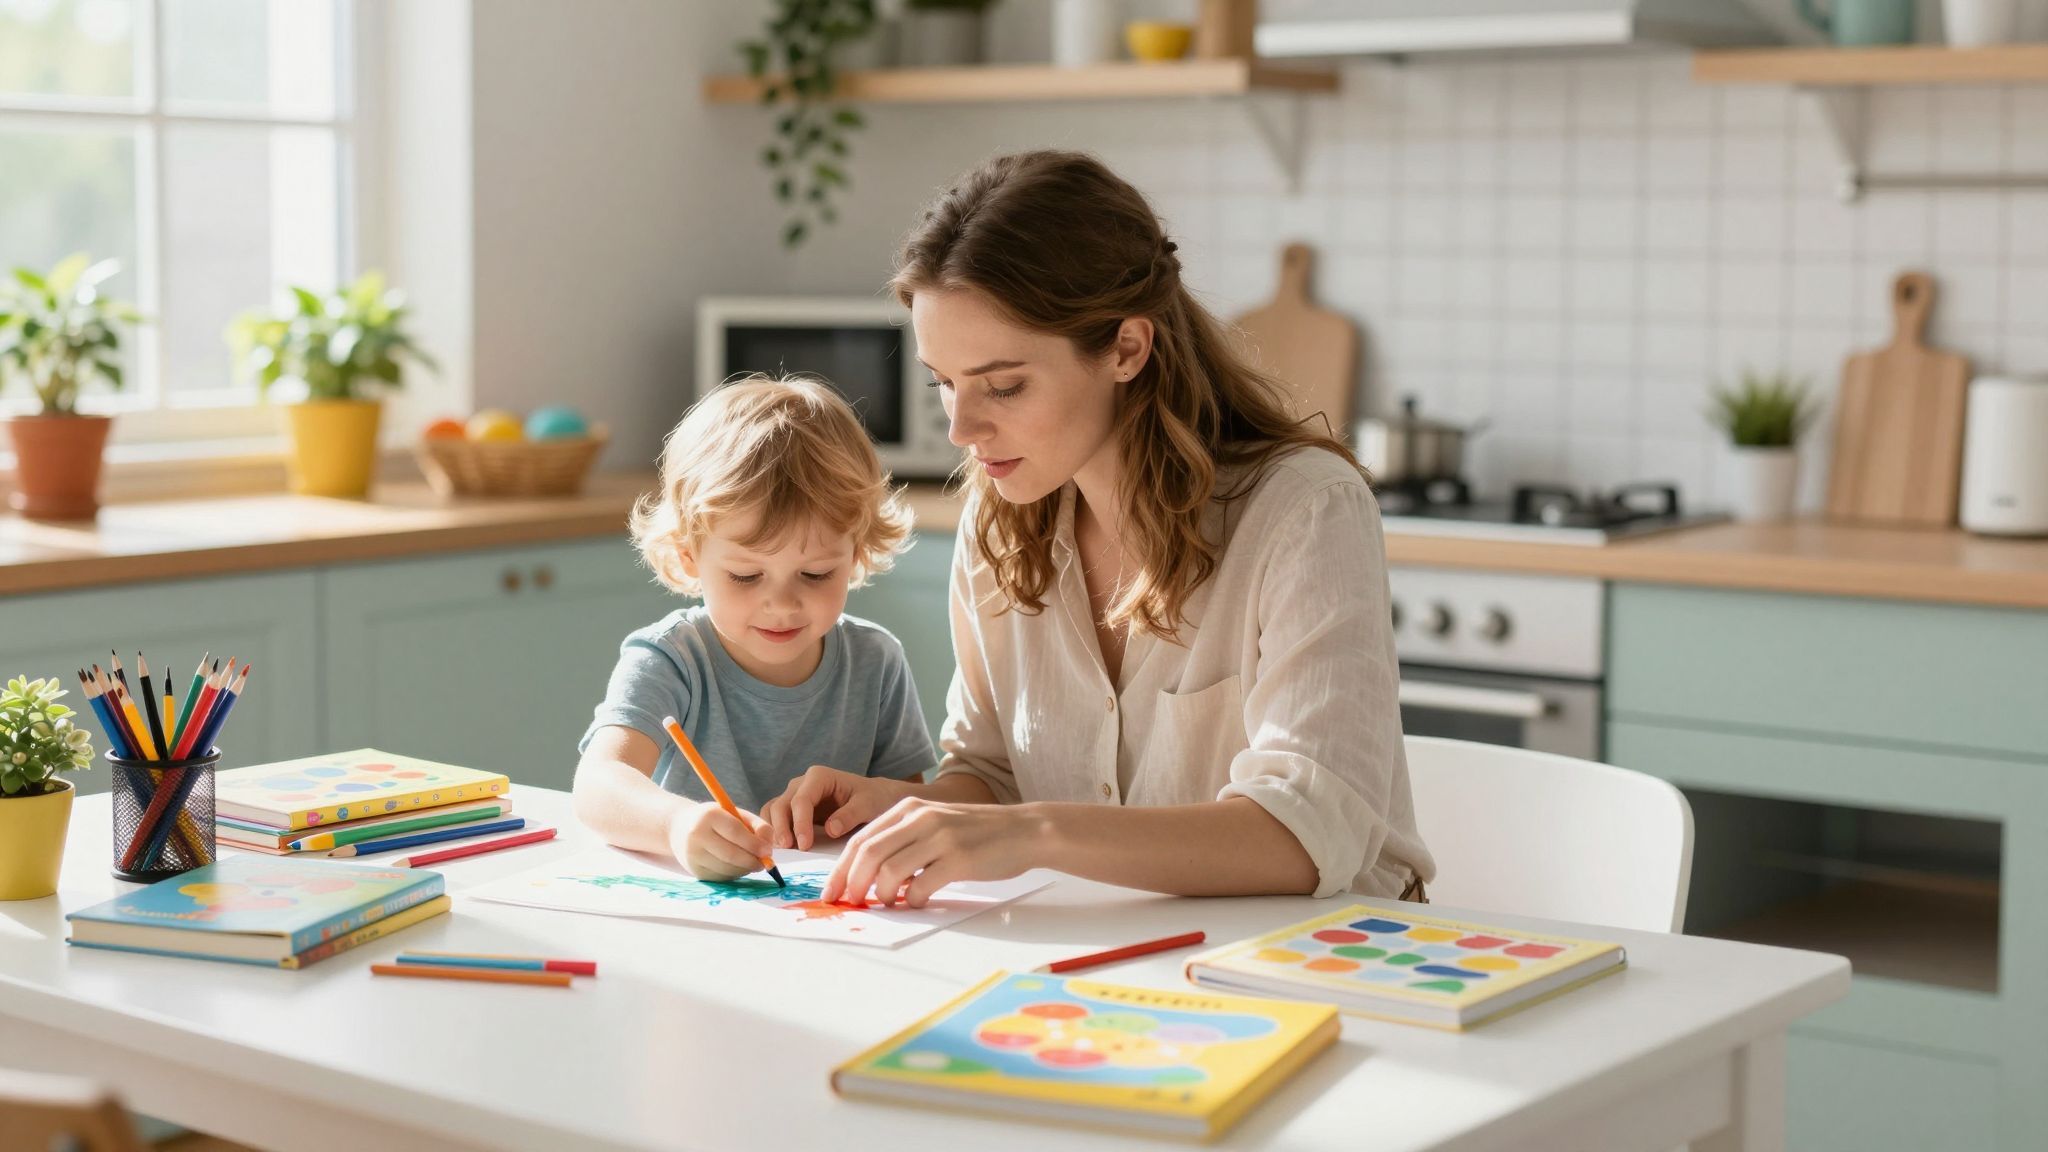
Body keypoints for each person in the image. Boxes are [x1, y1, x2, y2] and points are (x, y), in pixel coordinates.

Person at [762, 150, 1434, 908]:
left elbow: (1308, 836)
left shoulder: (1305, 512)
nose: (961, 428)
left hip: (1330, 964)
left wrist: (1029, 834)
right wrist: (907, 809)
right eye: (943, 383)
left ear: (1125, 348)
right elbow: (993, 771)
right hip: (1115, 964)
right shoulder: (1002, 512)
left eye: (1003, 385)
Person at [573, 376, 935, 881]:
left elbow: (913, 808)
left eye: (816, 574)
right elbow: (598, 785)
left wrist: (876, 805)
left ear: (858, 552)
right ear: (689, 557)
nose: (783, 604)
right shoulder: (670, 659)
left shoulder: (877, 660)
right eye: (746, 575)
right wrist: (677, 825)